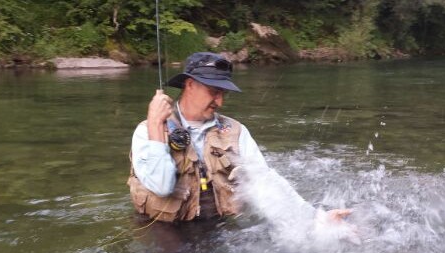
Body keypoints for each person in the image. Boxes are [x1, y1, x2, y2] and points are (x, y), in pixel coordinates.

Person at [128, 52, 350, 223]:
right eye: (214, 91)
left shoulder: (236, 131)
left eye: (223, 94)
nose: (220, 102)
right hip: (162, 232)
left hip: (218, 227)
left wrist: (315, 218)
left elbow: (265, 182)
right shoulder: (146, 131)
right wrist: (157, 126)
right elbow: (162, 186)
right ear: (190, 85)